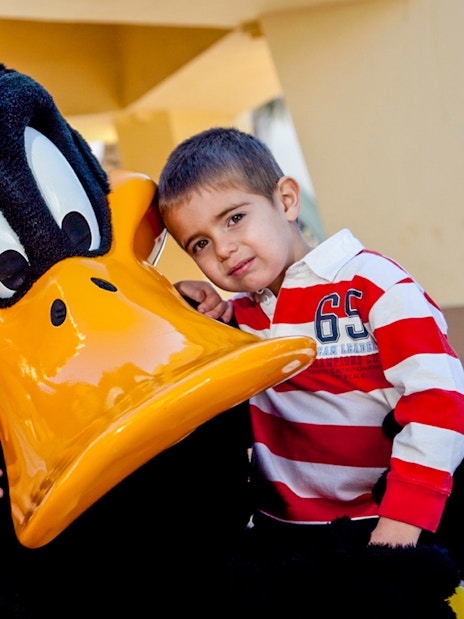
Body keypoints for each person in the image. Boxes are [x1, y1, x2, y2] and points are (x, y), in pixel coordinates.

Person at [155, 126, 464, 618]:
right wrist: (212, 314)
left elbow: (439, 404)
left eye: (235, 218)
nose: (224, 249)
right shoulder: (241, 320)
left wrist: (400, 529)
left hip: (383, 528)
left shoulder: (374, 285)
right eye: (199, 244)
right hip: (281, 537)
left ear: (286, 200)